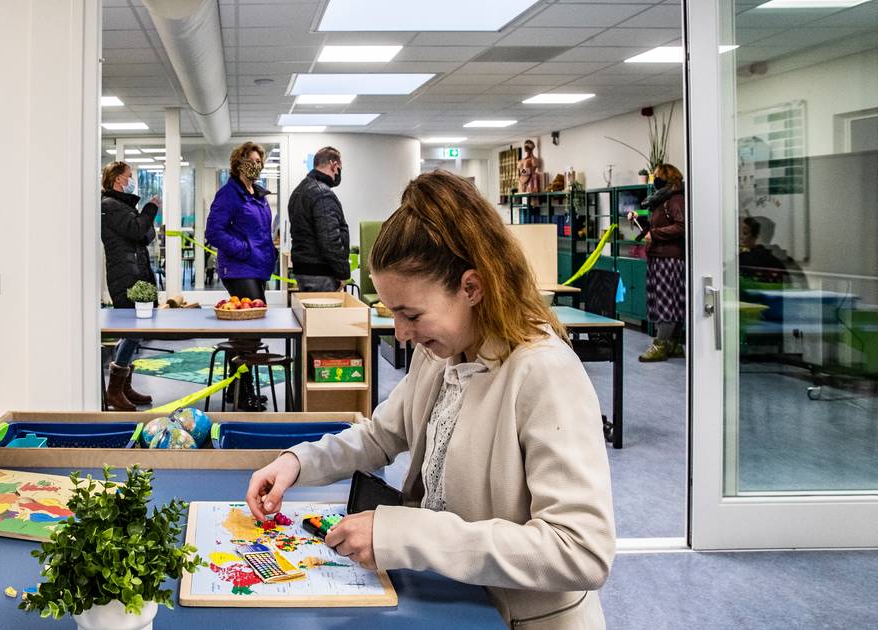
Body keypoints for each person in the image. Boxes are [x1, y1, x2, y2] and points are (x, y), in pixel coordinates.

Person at [245, 170, 614, 630]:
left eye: (412, 314)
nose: (400, 333)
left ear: (472, 288)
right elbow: (381, 435)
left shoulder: (545, 372)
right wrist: (297, 463)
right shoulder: (439, 354)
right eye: (392, 313)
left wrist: (406, 534)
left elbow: (581, 549)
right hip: (452, 602)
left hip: (517, 619)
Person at [206, 141, 278, 411]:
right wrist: (244, 249)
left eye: (259, 161)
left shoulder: (257, 194)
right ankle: (244, 393)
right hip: (238, 268)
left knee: (246, 333)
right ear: (238, 164)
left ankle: (235, 389)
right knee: (249, 334)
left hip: (257, 266)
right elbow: (214, 232)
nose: (256, 165)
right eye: (251, 161)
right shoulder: (229, 194)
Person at [101, 160, 161, 410]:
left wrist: (144, 221)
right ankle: (114, 390)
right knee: (132, 331)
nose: (132, 180)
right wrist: (150, 208)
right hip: (125, 276)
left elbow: (146, 235)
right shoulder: (109, 205)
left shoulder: (123, 206)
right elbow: (138, 230)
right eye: (129, 175)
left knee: (135, 332)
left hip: (136, 272)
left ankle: (123, 386)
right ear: (118, 179)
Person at [636, 163, 686, 361]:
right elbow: (660, 224)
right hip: (658, 255)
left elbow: (681, 226)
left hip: (669, 258)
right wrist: (645, 228)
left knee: (666, 302)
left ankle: (660, 345)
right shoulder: (661, 200)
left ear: (666, 177)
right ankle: (672, 344)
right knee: (663, 301)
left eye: (657, 175)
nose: (654, 179)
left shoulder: (675, 199)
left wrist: (654, 234)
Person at [289, 146, 350, 292]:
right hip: (321, 272)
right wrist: (342, 273)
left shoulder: (298, 191)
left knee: (310, 308)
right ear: (334, 165)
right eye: (339, 168)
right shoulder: (323, 193)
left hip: (303, 269)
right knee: (324, 308)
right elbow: (330, 240)